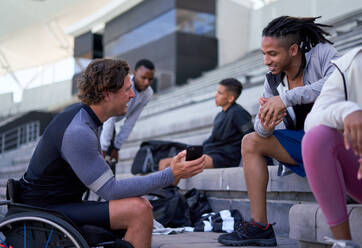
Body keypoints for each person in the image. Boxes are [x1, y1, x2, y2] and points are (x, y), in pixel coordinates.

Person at [17, 59, 206, 248]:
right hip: (44, 210)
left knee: (142, 207)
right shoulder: (79, 132)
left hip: (62, 203)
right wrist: (170, 175)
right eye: (126, 90)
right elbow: (110, 190)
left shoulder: (87, 118)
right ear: (107, 94)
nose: (132, 95)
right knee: (139, 209)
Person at [218, 16, 339, 247]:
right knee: (251, 141)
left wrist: (285, 99)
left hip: (335, 139)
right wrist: (267, 124)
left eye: (272, 53)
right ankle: (259, 227)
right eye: (264, 53)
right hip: (304, 146)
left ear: (293, 49)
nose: (266, 60)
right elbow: (261, 130)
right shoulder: (273, 81)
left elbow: (337, 82)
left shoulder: (322, 53)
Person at [302, 47, 362, 248]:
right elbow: (311, 121)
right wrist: (348, 111)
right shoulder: (351, 64)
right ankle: (344, 243)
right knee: (317, 138)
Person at [158, 78, 253, 170]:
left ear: (231, 98)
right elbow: (212, 139)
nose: (215, 95)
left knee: (169, 163)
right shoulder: (220, 115)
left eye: (220, 93)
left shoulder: (239, 112)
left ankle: (170, 186)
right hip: (213, 152)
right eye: (217, 92)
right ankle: (171, 186)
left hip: (224, 158)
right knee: (166, 161)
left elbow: (250, 135)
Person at [100, 59, 155, 164]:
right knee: (97, 162)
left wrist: (116, 147)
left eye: (150, 79)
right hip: (101, 119)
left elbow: (131, 121)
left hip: (110, 124)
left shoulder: (148, 93)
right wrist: (104, 148)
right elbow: (109, 116)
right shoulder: (122, 83)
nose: (147, 82)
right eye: (143, 78)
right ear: (134, 73)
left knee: (110, 164)